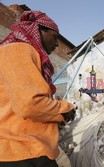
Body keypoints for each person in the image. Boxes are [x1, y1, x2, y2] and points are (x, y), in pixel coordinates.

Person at [0, 11, 75, 167]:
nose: (56, 44)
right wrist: (64, 109)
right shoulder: (17, 50)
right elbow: (30, 104)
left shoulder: (24, 53)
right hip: (21, 151)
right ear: (39, 30)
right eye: (54, 37)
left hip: (28, 150)